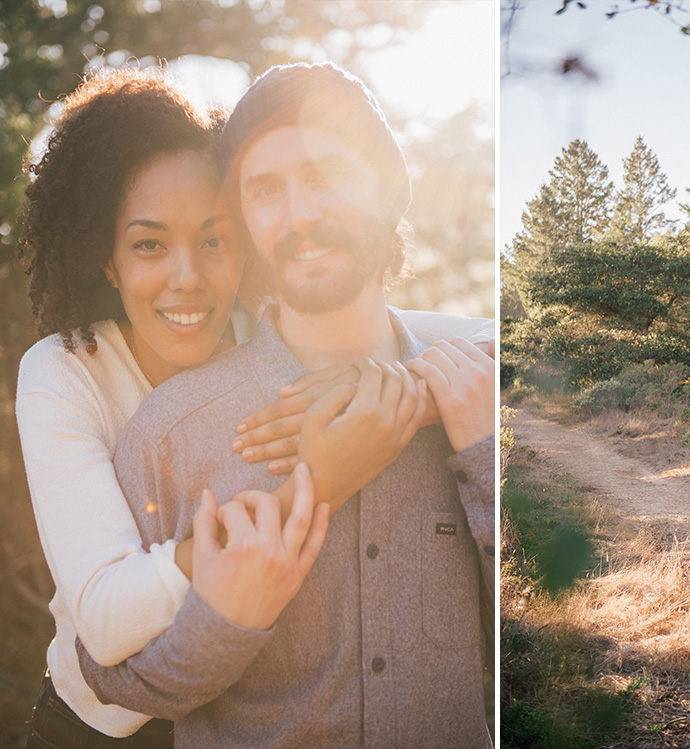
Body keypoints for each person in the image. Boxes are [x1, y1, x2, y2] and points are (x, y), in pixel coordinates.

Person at [15, 68, 492, 747]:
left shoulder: (253, 315)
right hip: (95, 727)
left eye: (213, 240)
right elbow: (108, 622)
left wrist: (400, 395)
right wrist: (316, 484)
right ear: (108, 260)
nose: (188, 275)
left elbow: (468, 336)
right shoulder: (67, 374)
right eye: (150, 243)